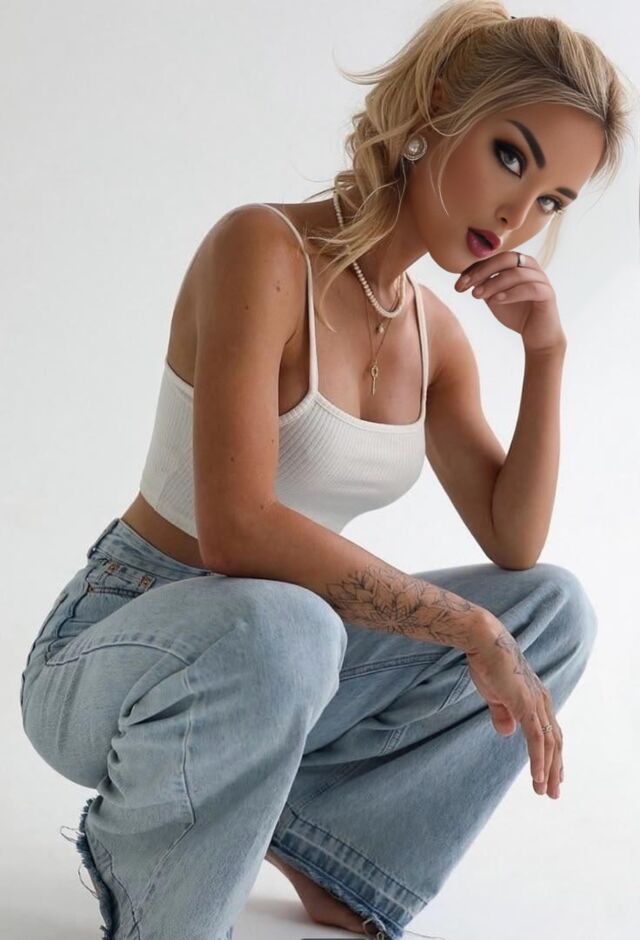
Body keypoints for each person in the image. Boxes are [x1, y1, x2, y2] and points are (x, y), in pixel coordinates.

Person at [19, 2, 633, 939]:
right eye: (512, 156)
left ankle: (335, 853)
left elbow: (515, 542)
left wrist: (546, 353)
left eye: (553, 200)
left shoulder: (436, 338)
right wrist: (464, 627)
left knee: (552, 613)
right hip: (120, 642)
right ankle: (155, 890)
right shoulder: (263, 250)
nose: (519, 216)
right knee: (297, 625)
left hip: (288, 657)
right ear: (438, 108)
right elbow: (237, 531)